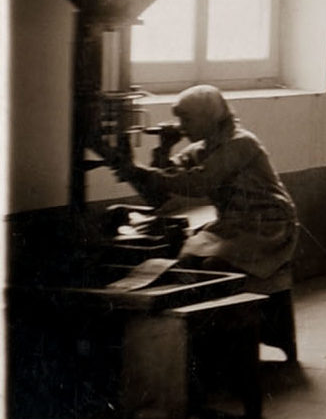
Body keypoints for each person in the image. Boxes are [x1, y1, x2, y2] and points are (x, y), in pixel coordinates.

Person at [111, 84, 299, 292]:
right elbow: (164, 188)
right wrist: (164, 150)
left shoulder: (242, 143)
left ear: (210, 118)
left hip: (267, 226)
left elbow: (198, 183)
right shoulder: (200, 150)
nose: (181, 127)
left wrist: (139, 171)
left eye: (187, 120)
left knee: (213, 265)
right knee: (187, 261)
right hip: (232, 225)